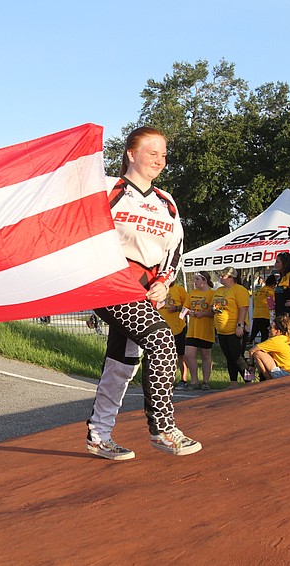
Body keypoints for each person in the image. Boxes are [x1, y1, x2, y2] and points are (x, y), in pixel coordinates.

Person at [85, 126, 201, 462]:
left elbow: (174, 249)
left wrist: (164, 281)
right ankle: (163, 428)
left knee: (122, 364)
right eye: (153, 153)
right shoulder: (108, 188)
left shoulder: (167, 202)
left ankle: (99, 435)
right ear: (131, 154)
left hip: (145, 292)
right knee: (162, 339)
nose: (160, 160)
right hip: (109, 283)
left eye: (164, 155)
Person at [213, 267, 250, 388]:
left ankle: (249, 380)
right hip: (222, 329)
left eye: (223, 276)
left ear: (231, 278)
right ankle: (233, 382)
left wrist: (240, 325)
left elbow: (243, 308)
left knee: (237, 356)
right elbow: (215, 304)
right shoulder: (219, 290)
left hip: (234, 328)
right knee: (229, 357)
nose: (220, 278)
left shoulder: (239, 290)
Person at [249, 313, 290, 380]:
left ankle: (268, 381)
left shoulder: (275, 340)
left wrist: (251, 365)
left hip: (287, 374)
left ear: (278, 332)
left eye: (271, 328)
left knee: (257, 353)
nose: (268, 329)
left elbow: (251, 350)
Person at [184, 271, 215, 391]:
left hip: (206, 329)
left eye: (197, 279)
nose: (194, 282)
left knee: (206, 355)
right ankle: (194, 380)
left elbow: (213, 312)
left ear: (204, 281)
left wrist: (203, 314)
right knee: (188, 355)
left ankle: (206, 381)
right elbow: (186, 307)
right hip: (192, 329)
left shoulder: (212, 294)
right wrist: (188, 312)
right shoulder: (192, 293)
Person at [158, 282, 188, 388]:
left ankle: (184, 379)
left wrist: (177, 309)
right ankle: (168, 379)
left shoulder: (179, 290)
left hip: (178, 328)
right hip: (162, 328)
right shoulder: (158, 290)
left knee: (181, 354)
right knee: (165, 355)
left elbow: (187, 308)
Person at [249, 274, 276, 345]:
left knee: (253, 335)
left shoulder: (259, 291)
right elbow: (271, 305)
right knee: (265, 335)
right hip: (265, 315)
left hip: (256, 314)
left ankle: (243, 348)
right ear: (273, 284)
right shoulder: (270, 292)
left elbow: (254, 300)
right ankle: (262, 350)